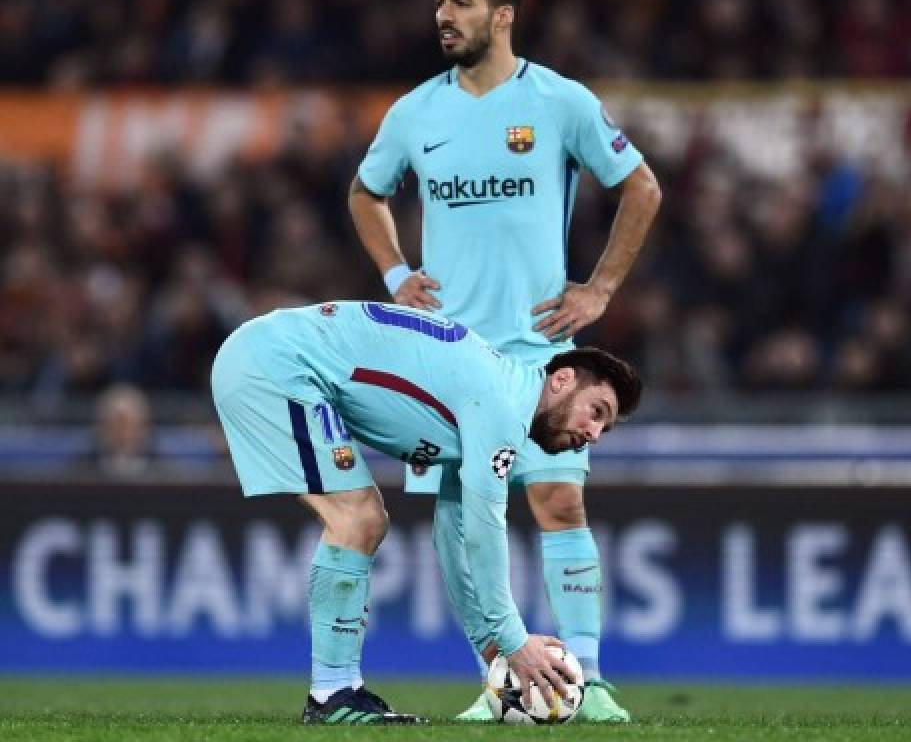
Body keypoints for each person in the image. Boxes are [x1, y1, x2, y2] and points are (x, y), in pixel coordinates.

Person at [348, 0, 661, 722]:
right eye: (438, 2)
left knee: (557, 499)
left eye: (459, 2)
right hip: (444, 357)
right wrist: (395, 276)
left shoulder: (559, 102)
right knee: (458, 521)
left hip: (534, 352)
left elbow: (641, 187)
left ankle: (587, 682)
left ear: (503, 15)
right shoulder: (415, 112)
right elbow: (365, 192)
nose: (443, 15)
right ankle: (503, 681)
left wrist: (601, 289)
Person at [210, 300, 642, 725]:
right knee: (357, 519)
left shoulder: (494, 393)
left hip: (273, 354)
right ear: (561, 379)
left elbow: (452, 536)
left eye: (605, 427)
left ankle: (339, 692)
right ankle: (332, 695)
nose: (595, 434)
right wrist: (514, 641)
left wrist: (490, 642)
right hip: (275, 364)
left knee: (363, 519)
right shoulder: (501, 407)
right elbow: (483, 533)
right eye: (596, 412)